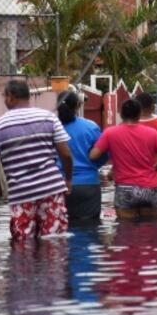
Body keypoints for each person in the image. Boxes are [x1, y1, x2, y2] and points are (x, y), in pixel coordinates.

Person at [0, 79, 73, 241]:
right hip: (50, 190)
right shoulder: (49, 118)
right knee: (54, 244)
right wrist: (69, 179)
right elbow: (66, 155)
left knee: (23, 247)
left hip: (21, 195)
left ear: (10, 96)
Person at [89, 99, 157, 220]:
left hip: (125, 187)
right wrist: (155, 167)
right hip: (150, 187)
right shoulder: (152, 133)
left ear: (121, 114)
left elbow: (93, 156)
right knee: (151, 230)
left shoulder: (110, 133)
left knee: (125, 232)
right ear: (139, 114)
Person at [57, 91, 105, 221]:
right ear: (78, 106)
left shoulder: (51, 128)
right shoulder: (91, 127)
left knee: (58, 230)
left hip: (56, 185)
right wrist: (92, 165)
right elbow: (103, 154)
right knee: (89, 229)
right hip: (88, 185)